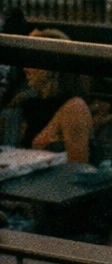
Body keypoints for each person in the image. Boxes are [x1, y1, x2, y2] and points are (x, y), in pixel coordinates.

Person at [14, 29, 92, 163]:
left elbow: (78, 165)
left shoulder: (73, 108)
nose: (26, 68)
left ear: (51, 66)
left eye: (33, 61)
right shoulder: (34, 105)